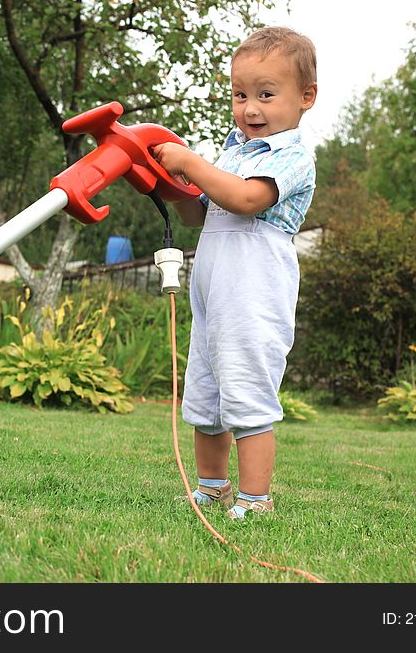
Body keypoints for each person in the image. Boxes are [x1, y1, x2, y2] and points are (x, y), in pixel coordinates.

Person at [152, 27, 317, 519]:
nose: (250, 108)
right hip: (214, 298)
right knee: (206, 398)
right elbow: (198, 214)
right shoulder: (234, 153)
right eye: (240, 94)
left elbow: (246, 200)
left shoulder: (292, 156)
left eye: (266, 94)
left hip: (253, 294)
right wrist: (170, 183)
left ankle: (255, 498)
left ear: (305, 97)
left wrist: (192, 162)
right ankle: (212, 487)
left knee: (247, 395)